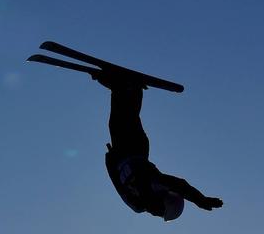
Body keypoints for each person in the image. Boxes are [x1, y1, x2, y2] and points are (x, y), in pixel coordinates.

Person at [93, 71, 223, 221]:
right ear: (163, 201)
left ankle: (123, 89)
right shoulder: (155, 186)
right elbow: (179, 185)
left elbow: (117, 184)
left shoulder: (137, 204)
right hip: (135, 149)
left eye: (159, 214)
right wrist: (200, 199)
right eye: (161, 210)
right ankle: (129, 88)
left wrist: (110, 161)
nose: (155, 213)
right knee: (125, 119)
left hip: (122, 154)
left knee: (118, 121)